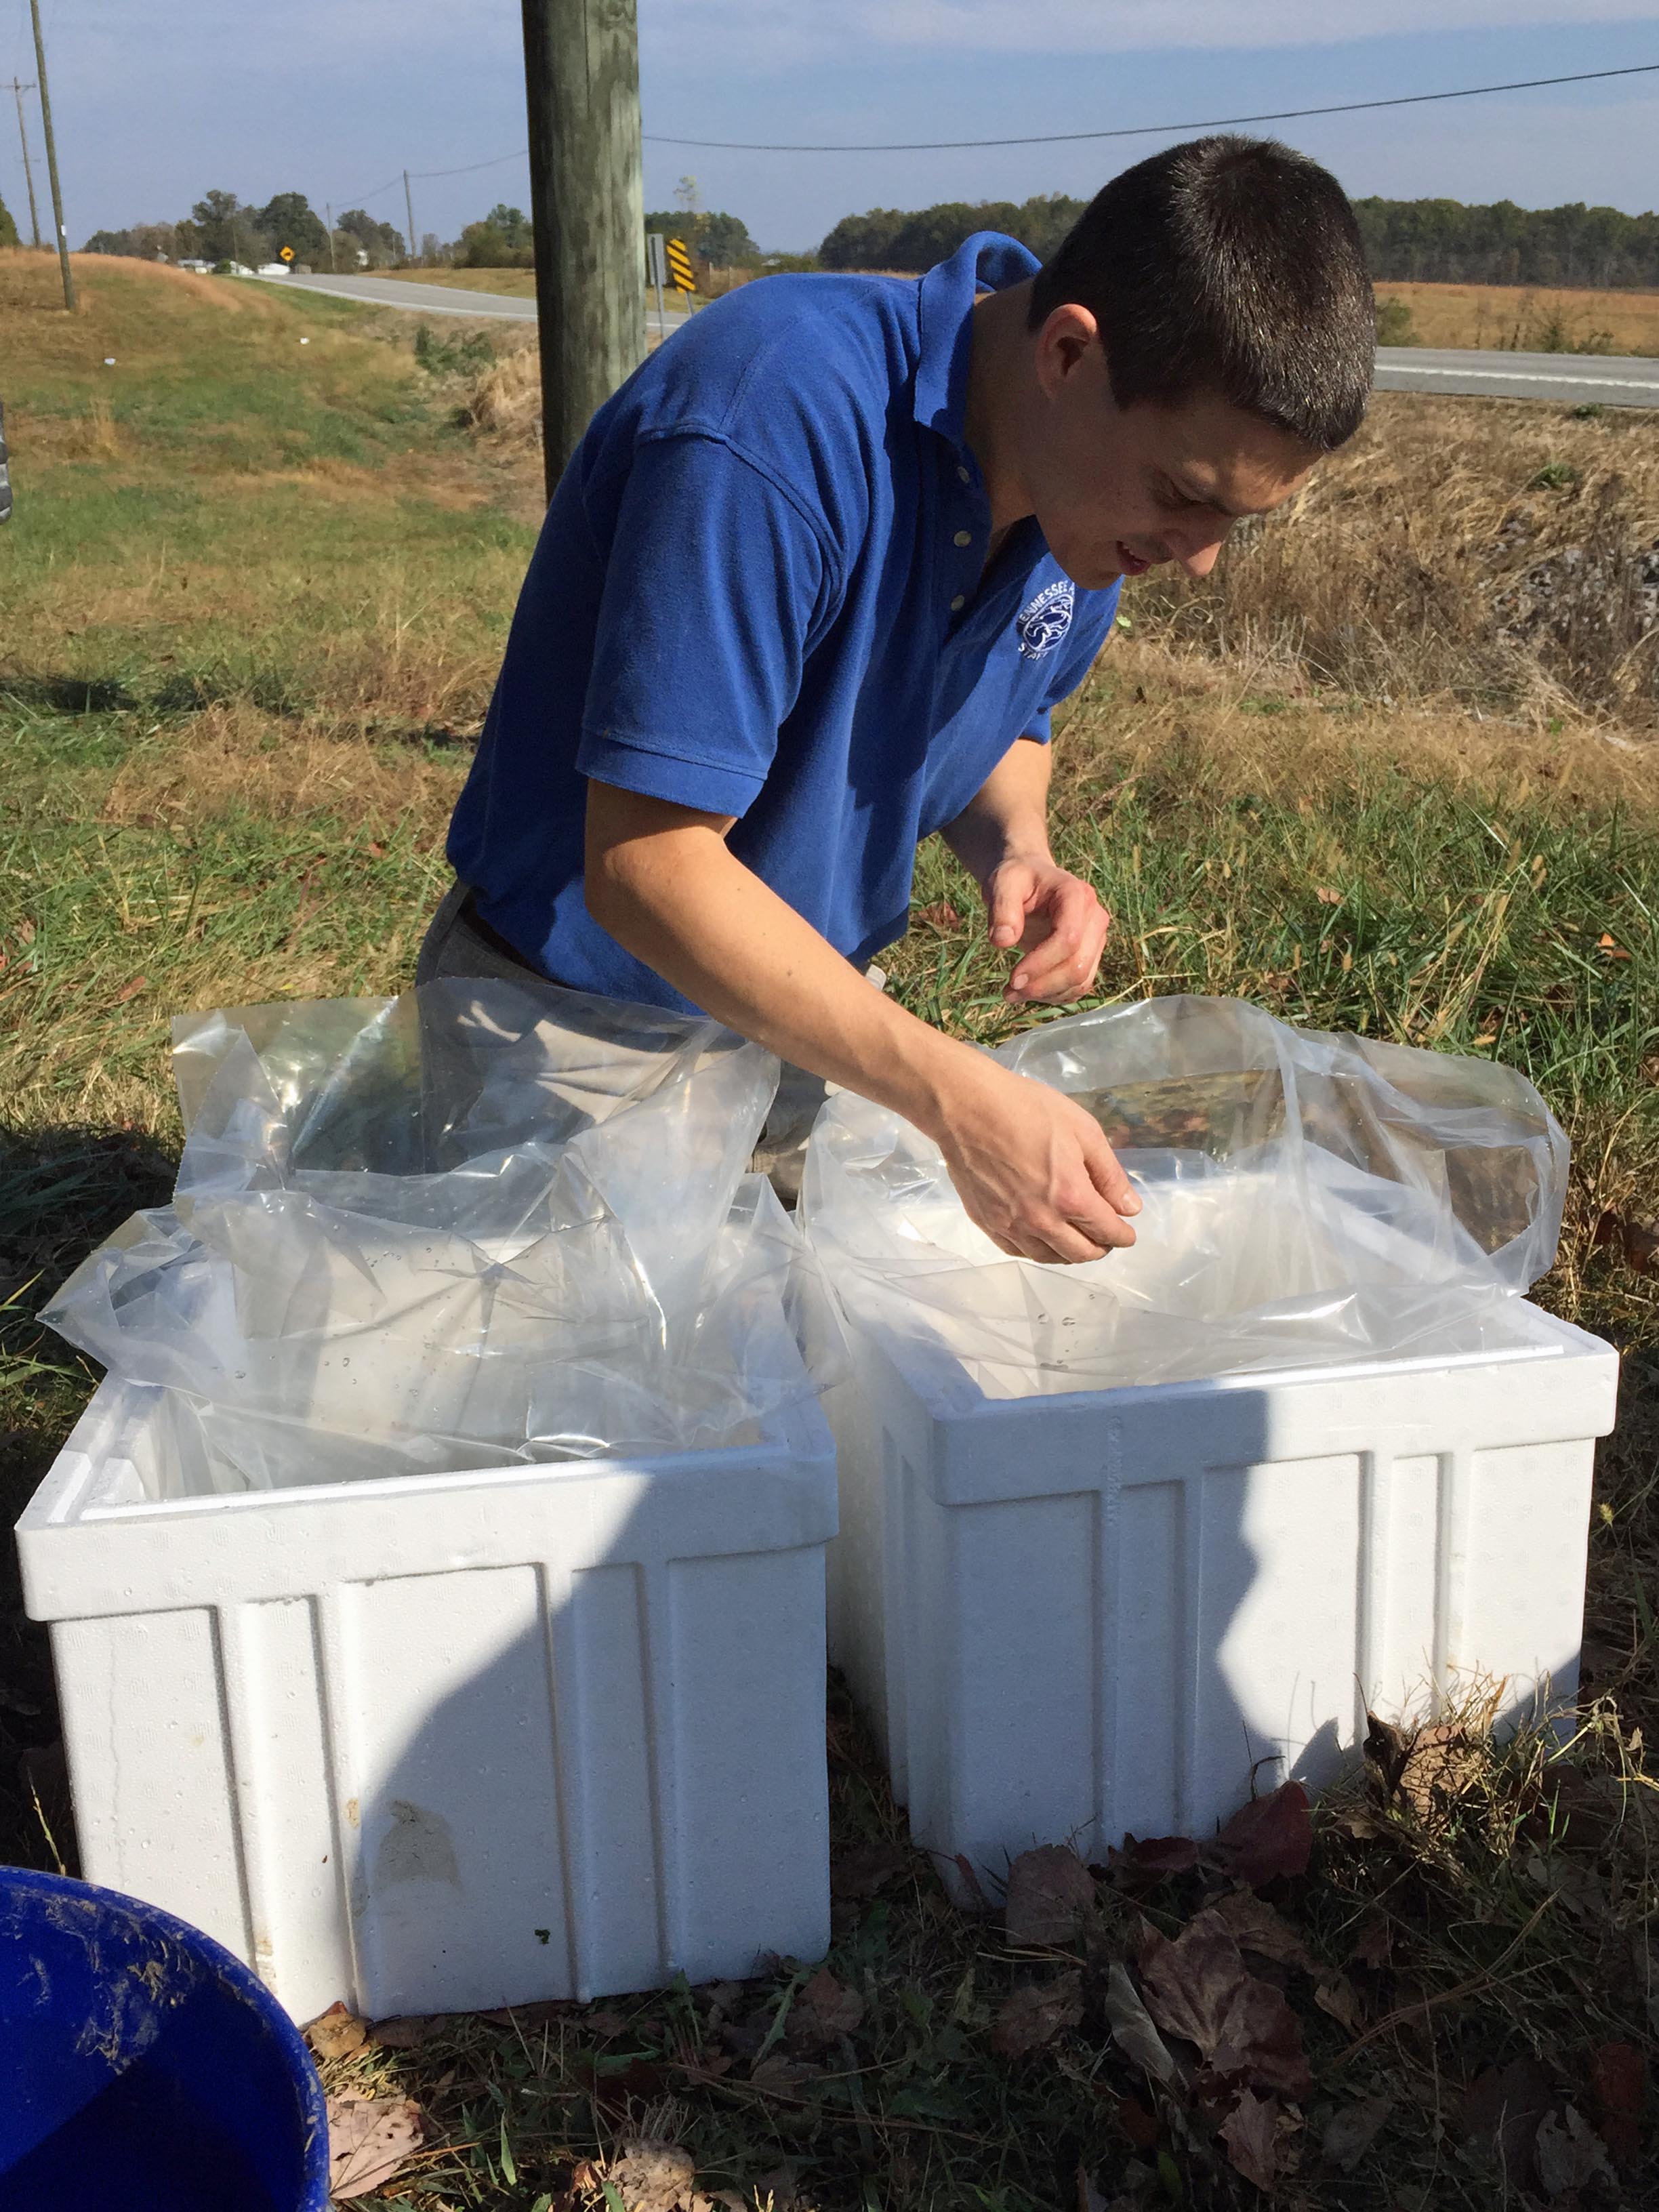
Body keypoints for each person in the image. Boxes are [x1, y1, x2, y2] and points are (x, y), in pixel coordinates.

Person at [419, 134, 1375, 1262]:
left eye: (1235, 522)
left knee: (799, 1405)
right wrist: (954, 1098)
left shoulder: (1091, 512)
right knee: (563, 1409)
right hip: (578, 1037)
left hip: (808, 1038)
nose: (1202, 559)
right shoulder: (771, 421)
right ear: (1068, 354)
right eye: (1186, 495)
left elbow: (1011, 706)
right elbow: (646, 870)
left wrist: (1017, 845)